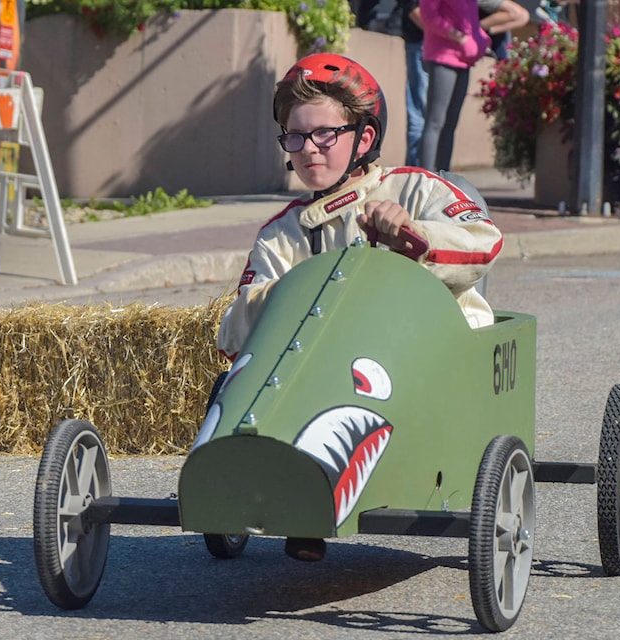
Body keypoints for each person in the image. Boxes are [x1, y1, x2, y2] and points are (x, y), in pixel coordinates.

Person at [216, 54, 503, 561]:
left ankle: (312, 492)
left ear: (363, 138)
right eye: (294, 136)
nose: (307, 150)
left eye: (323, 134)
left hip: (431, 359)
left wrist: (413, 235)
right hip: (331, 376)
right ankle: (289, 486)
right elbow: (237, 333)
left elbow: (483, 243)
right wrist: (285, 296)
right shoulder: (280, 235)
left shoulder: (417, 189)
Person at [417, 0, 491, 173]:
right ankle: (426, 176)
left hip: (463, 61)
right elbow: (428, 16)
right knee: (436, 121)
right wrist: (459, 37)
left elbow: (468, 21)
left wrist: (479, 37)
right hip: (442, 57)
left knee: (450, 124)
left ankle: (444, 177)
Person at [398, 0, 429, 166]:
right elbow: (412, 9)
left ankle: (421, 170)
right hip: (421, 43)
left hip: (434, 44)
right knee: (420, 112)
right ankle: (417, 170)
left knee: (429, 115)